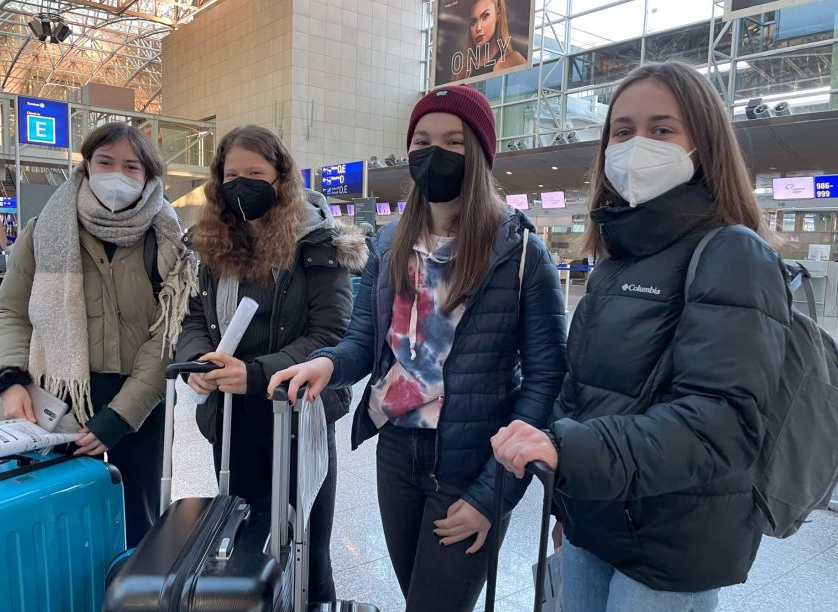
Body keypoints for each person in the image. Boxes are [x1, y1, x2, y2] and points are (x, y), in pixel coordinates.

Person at [490, 61, 790, 612]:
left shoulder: (732, 253)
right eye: (622, 131)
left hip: (670, 546)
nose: (636, 146)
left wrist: (568, 451)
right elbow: (581, 393)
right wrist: (566, 500)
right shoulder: (615, 263)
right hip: (595, 519)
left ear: (704, 144)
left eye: (662, 129)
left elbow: (720, 425)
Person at [269, 85, 567, 611]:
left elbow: (546, 380)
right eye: (423, 141)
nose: (436, 153)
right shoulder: (390, 243)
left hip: (471, 461)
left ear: (480, 155)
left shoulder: (520, 252)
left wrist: (492, 496)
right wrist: (327, 364)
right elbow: (365, 341)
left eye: (454, 141)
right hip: (396, 454)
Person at [176, 125, 366, 602]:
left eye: (255, 174)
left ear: (281, 178)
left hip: (299, 417)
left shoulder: (317, 243)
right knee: (243, 544)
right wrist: (197, 361)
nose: (242, 185)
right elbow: (193, 317)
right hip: (232, 420)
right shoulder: (212, 244)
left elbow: (331, 335)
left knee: (307, 551)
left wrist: (256, 373)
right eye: (231, 175)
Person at [0, 122, 197, 547]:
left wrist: (121, 415)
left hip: (139, 406)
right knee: (57, 522)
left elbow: (169, 334)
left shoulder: (166, 240)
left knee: (138, 520)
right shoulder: (44, 231)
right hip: (56, 401)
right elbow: (12, 311)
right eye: (105, 162)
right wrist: (10, 381)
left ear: (148, 175)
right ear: (86, 167)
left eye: (131, 167)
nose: (117, 174)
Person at [453, 0, 527, 80]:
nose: (478, 28)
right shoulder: (462, 70)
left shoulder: (513, 60)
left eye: (485, 16)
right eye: (473, 22)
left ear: (498, 14)